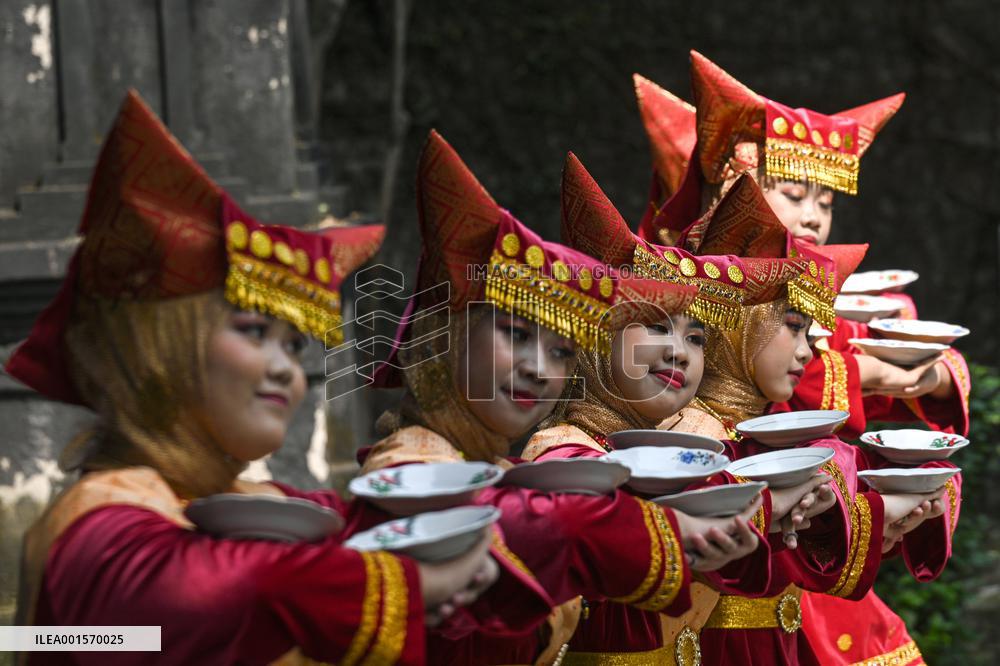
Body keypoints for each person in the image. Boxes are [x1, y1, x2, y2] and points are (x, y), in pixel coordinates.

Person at [5, 91, 501, 666]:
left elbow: (347, 530)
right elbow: (178, 607)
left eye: (294, 344)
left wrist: (459, 531)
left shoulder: (253, 501)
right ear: (159, 348)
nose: (285, 368)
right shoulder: (94, 524)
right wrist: (402, 585)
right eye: (253, 331)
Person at [357, 130, 764, 664]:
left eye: (560, 351)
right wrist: (664, 530)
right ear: (447, 335)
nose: (538, 369)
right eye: (515, 334)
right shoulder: (413, 461)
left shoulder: (486, 463)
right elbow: (529, 521)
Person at [634, 54, 964, 664]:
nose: (813, 215)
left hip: (793, 556)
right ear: (731, 191)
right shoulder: (692, 287)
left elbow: (880, 364)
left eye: (825, 200)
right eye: (792, 194)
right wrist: (869, 372)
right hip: (716, 570)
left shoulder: (808, 290)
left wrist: (929, 377)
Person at [516, 153, 844, 665]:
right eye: (655, 326)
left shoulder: (684, 443)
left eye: (696, 338)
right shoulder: (559, 452)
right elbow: (611, 523)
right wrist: (767, 504)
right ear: (596, 334)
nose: (680, 353)